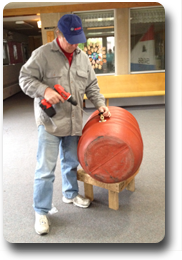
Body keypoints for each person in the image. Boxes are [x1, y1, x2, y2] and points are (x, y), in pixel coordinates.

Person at [19, 14, 111, 235]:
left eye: (77, 39)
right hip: (50, 122)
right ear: (58, 34)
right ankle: (41, 211)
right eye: (70, 39)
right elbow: (24, 79)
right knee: (45, 170)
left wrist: (100, 105)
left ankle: (70, 194)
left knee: (71, 162)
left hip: (73, 121)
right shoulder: (41, 55)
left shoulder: (82, 58)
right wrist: (45, 90)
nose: (74, 44)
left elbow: (92, 85)